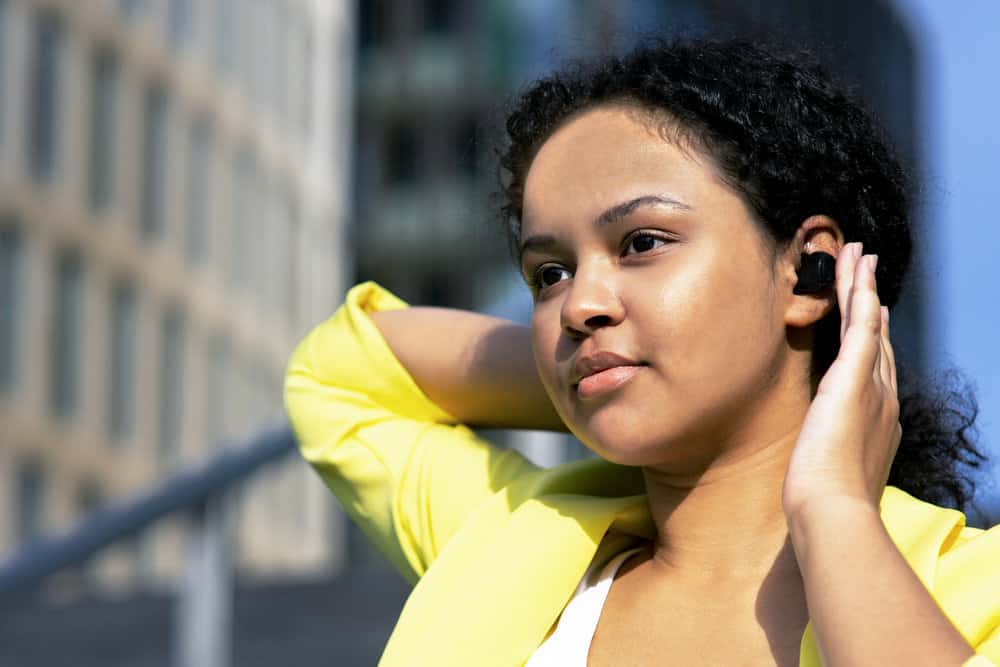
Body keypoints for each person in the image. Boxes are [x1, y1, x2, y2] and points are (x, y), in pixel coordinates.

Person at [284, 36, 1000, 666]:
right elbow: (340, 377)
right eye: (549, 274)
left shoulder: (976, 587)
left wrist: (837, 511)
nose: (578, 306)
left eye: (641, 244)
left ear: (808, 271)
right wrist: (591, 369)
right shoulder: (522, 543)